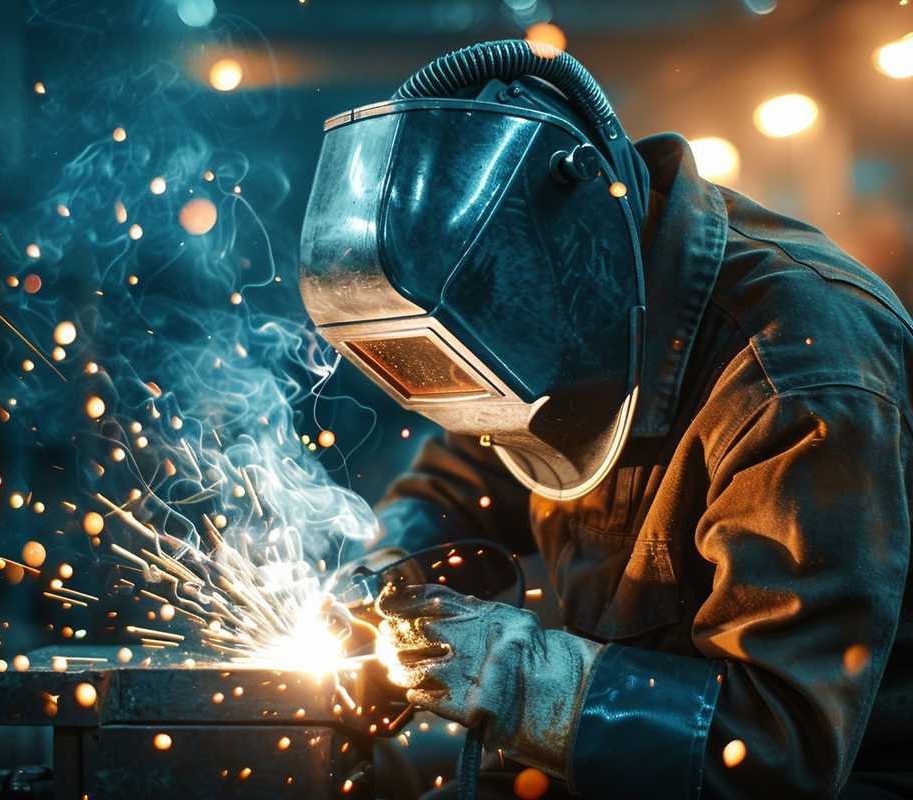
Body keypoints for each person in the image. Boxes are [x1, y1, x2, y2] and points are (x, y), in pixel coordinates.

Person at [299, 40, 913, 799]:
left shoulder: (796, 378)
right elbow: (470, 468)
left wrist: (520, 680)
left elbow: (775, 748)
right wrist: (388, 568)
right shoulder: (558, 335)